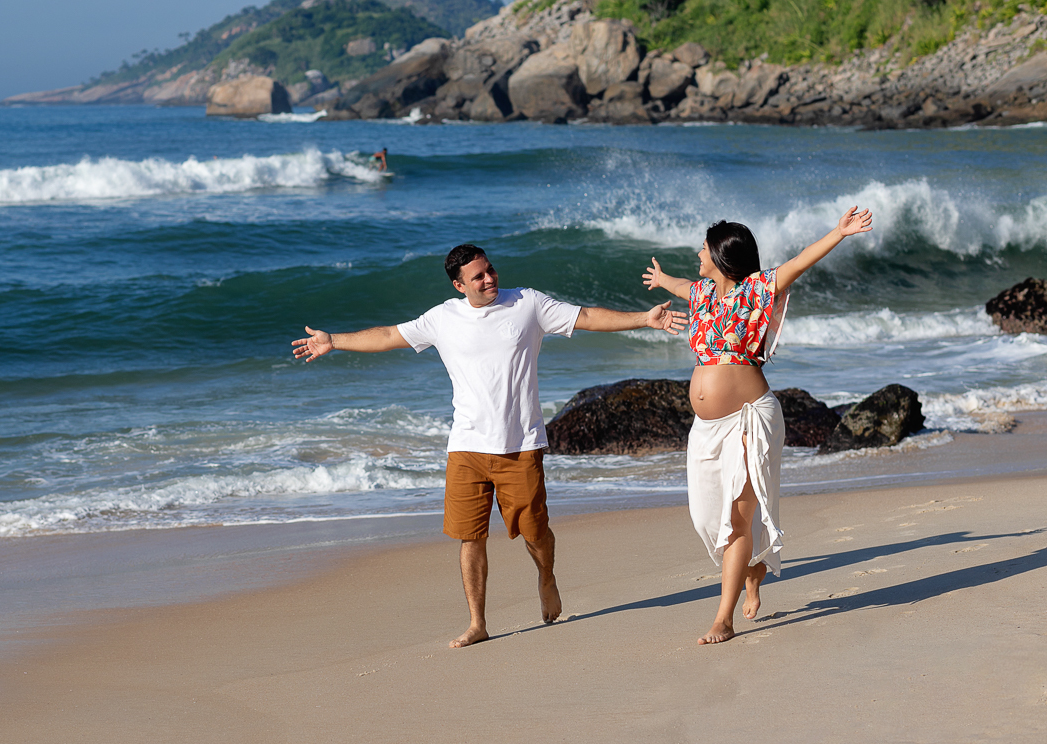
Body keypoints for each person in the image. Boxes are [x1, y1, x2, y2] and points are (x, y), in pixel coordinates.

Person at [294, 243, 688, 647]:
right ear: (459, 284)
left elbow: (585, 316)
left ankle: (546, 577)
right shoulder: (442, 318)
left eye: (490, 270)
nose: (489, 279)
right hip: (466, 447)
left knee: (536, 533)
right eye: (478, 276)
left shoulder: (527, 304)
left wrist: (644, 318)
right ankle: (477, 623)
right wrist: (334, 341)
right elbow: (390, 335)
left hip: (520, 444)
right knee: (471, 537)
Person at [644, 207, 873, 645]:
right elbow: (681, 284)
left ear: (722, 256)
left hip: (751, 420)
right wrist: (662, 280)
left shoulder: (758, 289)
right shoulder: (701, 295)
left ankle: (723, 617)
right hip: (707, 430)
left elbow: (801, 261)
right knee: (706, 518)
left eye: (704, 248)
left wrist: (839, 233)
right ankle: (753, 572)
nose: (698, 252)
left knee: (737, 520)